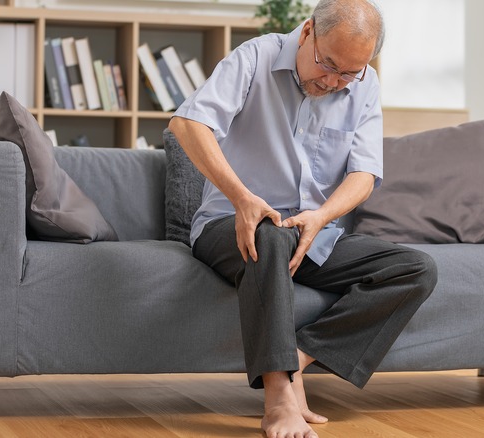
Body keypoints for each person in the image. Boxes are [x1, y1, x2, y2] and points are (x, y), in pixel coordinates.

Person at [168, 0, 437, 436]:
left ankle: (296, 360)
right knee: (269, 234)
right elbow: (187, 124)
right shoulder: (254, 57)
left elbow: (364, 173)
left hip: (310, 235)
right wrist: (242, 198)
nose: (334, 82)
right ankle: (278, 400)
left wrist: (322, 216)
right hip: (231, 225)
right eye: (328, 64)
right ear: (308, 31)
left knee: (415, 270)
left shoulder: (364, 85)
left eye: (349, 73)